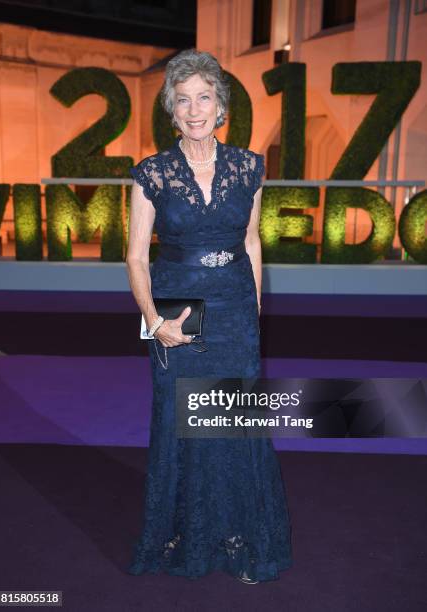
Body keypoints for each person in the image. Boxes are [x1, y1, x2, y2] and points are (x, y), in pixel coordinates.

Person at [126, 49, 292, 584]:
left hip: (235, 311)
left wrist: (256, 314)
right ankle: (187, 536)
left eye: (204, 97)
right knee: (184, 423)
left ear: (220, 105)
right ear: (170, 111)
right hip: (176, 312)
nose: (194, 109)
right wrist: (154, 320)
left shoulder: (249, 167)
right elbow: (134, 256)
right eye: (183, 100)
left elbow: (252, 241)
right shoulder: (152, 173)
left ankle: (242, 539)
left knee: (234, 424)